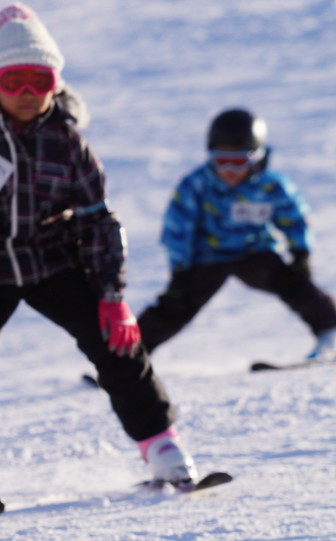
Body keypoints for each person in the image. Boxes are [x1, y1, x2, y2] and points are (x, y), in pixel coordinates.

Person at [0, 3, 201, 511]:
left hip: (55, 264)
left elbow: (99, 220)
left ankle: (162, 446)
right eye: (14, 81)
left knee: (116, 345)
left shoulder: (69, 144)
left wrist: (112, 297)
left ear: (56, 84)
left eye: (40, 80)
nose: (27, 94)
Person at [137, 108, 336, 360]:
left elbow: (295, 219)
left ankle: (330, 335)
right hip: (207, 257)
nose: (230, 169)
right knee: (176, 304)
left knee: (295, 284)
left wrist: (301, 253)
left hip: (255, 253)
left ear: (257, 158)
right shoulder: (196, 184)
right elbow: (177, 229)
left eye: (239, 161)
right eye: (221, 160)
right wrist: (179, 272)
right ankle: (126, 359)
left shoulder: (272, 186)